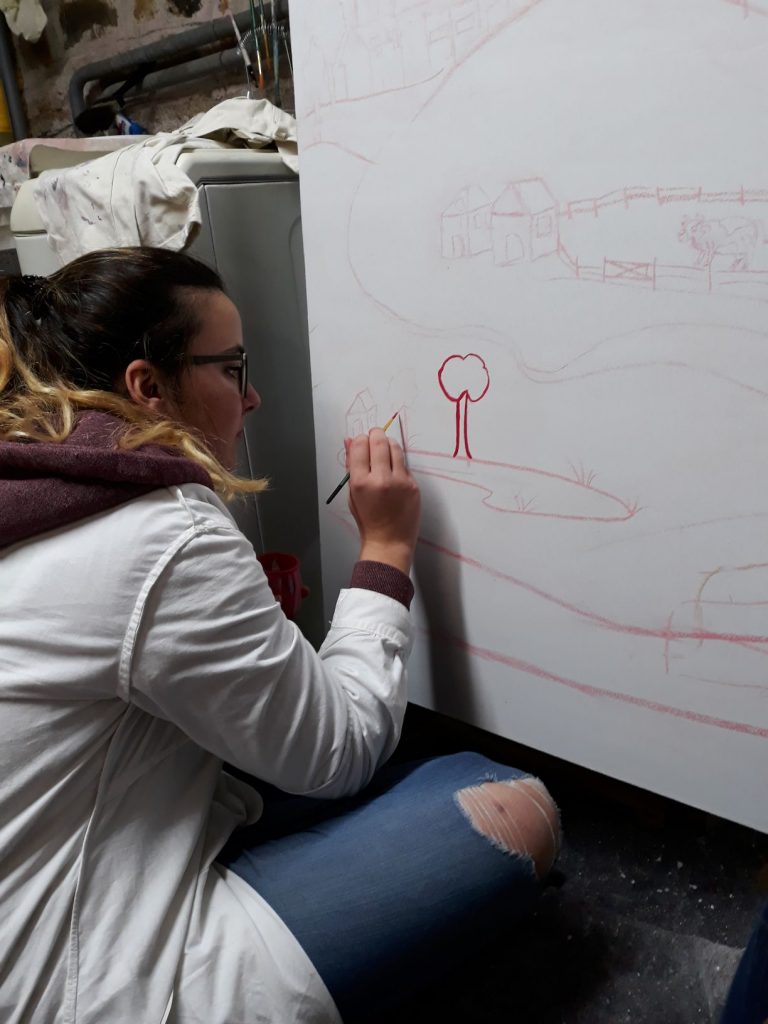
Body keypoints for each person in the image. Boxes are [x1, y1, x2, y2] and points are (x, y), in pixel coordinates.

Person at [0, 247, 560, 1024]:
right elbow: (340, 753)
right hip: (73, 977)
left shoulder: (35, 482)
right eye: (233, 368)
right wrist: (386, 549)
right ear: (147, 386)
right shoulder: (160, 533)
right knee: (511, 808)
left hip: (55, 874)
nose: (254, 395)